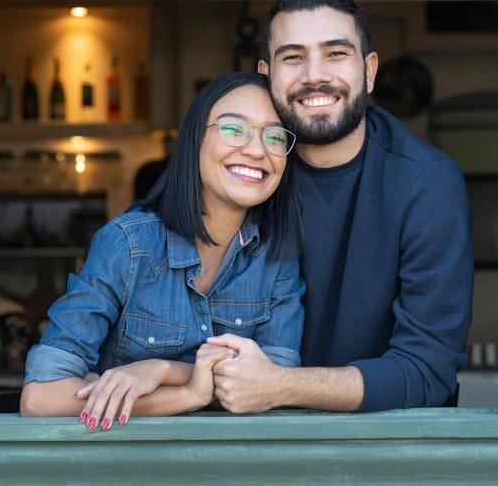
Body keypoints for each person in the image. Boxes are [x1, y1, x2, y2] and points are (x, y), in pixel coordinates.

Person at [207, 0, 474, 413]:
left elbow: (428, 371)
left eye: (336, 53)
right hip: (245, 445)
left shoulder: (427, 183)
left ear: (369, 70)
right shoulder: (241, 170)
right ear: (265, 74)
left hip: (385, 454)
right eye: (292, 57)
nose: (315, 75)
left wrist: (280, 385)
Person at [20, 71, 304, 428]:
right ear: (194, 139)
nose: (256, 149)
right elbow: (41, 396)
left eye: (275, 137)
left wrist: (161, 370)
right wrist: (188, 393)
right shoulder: (127, 244)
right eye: (234, 129)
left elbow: (275, 387)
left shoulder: (277, 258)